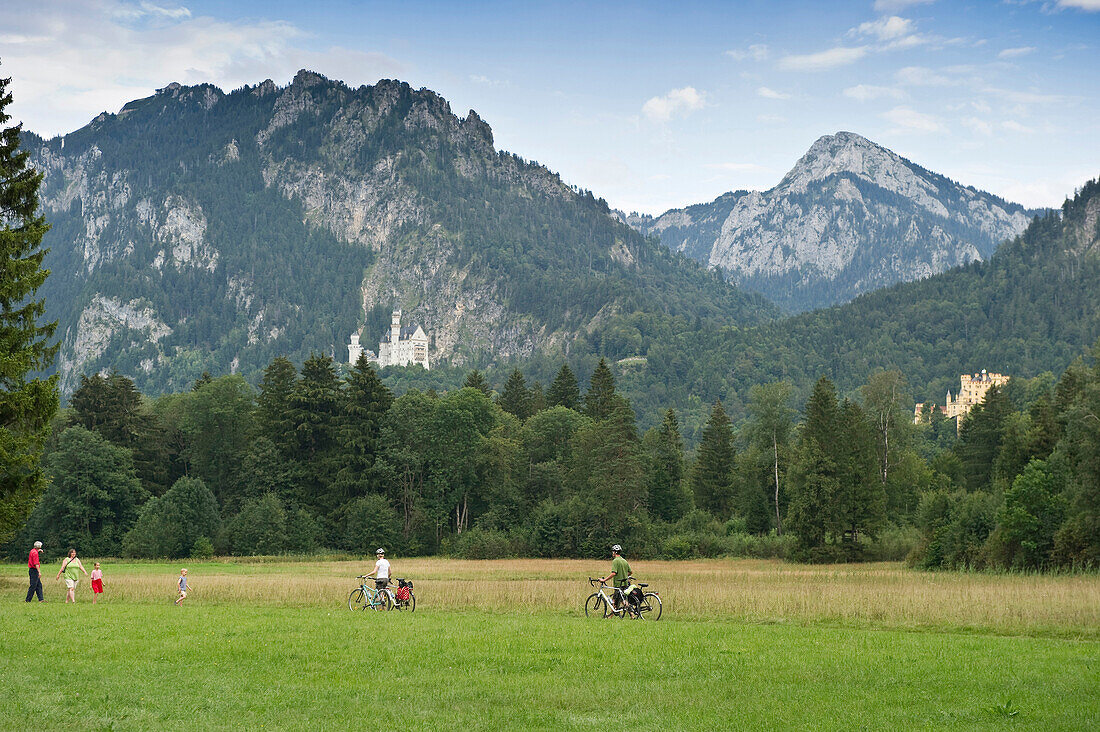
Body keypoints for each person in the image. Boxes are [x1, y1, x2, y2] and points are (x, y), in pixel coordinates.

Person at [597, 544, 632, 610]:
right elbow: (630, 572)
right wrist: (624, 575)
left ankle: (631, 613)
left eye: (612, 551)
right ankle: (613, 615)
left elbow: (613, 573)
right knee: (620, 599)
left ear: (614, 552)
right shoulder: (624, 561)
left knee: (616, 601)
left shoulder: (615, 561)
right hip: (625, 583)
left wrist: (604, 580)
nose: (612, 553)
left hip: (618, 584)